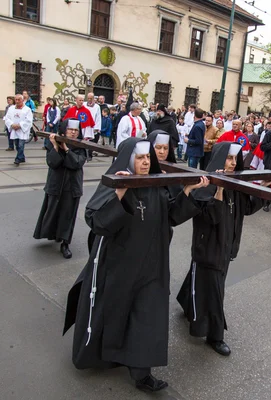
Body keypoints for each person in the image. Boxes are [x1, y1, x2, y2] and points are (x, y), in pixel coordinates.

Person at [63, 137, 211, 392]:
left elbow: (171, 217)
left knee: (147, 317)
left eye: (147, 157)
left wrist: (187, 192)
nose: (145, 162)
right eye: (140, 157)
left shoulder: (157, 184)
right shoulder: (116, 181)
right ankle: (107, 355)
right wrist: (120, 195)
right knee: (117, 313)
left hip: (153, 264)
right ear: (128, 158)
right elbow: (96, 221)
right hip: (120, 264)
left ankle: (141, 373)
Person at [177, 142, 271, 356]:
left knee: (205, 281)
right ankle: (215, 335)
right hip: (209, 246)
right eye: (228, 158)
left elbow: (247, 208)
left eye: (235, 159)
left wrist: (264, 186)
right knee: (215, 290)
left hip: (227, 245)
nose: (231, 164)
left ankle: (187, 302)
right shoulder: (205, 184)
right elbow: (211, 216)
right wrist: (219, 188)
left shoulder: (236, 183)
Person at [34, 119, 87, 258]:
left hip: (72, 185)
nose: (74, 132)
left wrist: (67, 149)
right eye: (71, 130)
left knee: (67, 214)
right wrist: (56, 147)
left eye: (76, 130)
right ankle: (51, 233)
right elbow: (52, 162)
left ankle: (65, 243)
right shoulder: (53, 143)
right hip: (56, 184)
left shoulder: (81, 146)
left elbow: (76, 163)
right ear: (64, 130)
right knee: (52, 211)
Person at [3, 94, 33, 166]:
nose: (17, 101)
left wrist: (20, 125)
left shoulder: (27, 110)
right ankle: (22, 157)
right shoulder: (11, 108)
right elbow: (7, 118)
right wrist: (12, 124)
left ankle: (18, 159)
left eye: (19, 99)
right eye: (16, 99)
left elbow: (29, 121)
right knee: (16, 144)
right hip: (14, 129)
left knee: (21, 145)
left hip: (22, 130)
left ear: (22, 100)